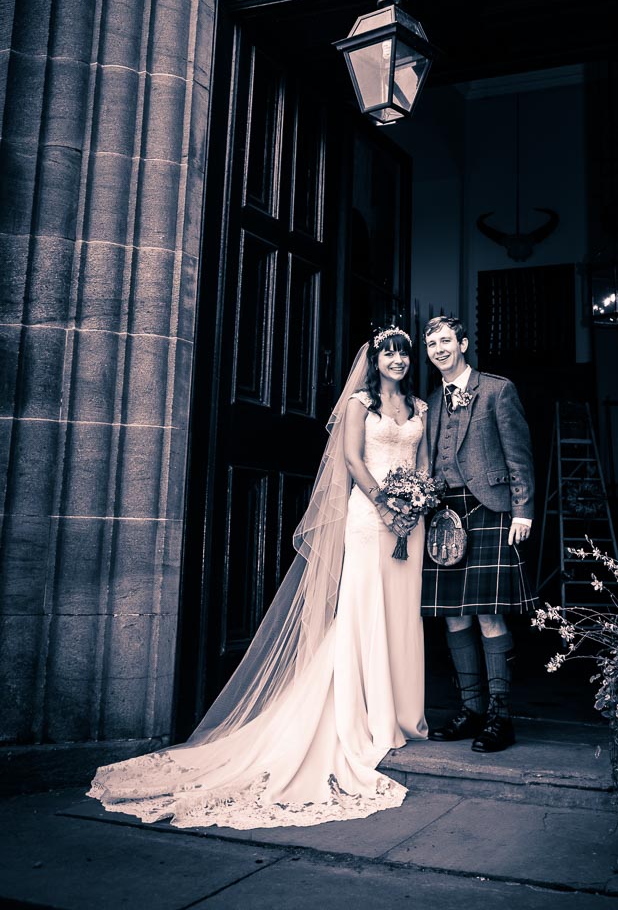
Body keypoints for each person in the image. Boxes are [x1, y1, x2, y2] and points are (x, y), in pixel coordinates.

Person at [89, 327, 429, 829]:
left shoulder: (420, 407)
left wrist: (415, 502)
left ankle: (403, 712)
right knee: (364, 608)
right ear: (374, 359)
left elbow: (419, 462)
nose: (397, 360)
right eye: (388, 352)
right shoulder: (360, 403)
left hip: (410, 523)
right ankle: (368, 714)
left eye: (403, 353)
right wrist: (383, 501)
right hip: (369, 516)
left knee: (403, 613)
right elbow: (353, 459)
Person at [422, 315, 536, 753]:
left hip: (490, 511)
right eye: (432, 344)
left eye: (446, 341)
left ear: (463, 343)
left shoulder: (496, 389)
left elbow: (518, 454)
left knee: (489, 613)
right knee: (454, 615)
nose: (439, 349)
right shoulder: (431, 402)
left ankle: (499, 716)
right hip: (444, 517)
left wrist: (522, 511)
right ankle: (470, 710)